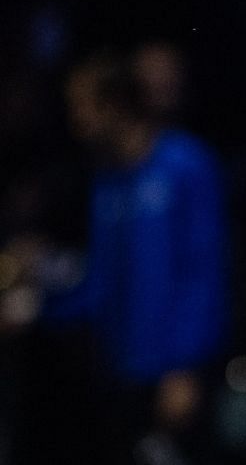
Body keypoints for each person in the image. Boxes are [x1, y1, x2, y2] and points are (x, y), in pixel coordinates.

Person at [40, 51, 227, 461]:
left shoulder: (186, 165)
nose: (75, 120)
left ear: (115, 105)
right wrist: (41, 309)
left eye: (82, 105)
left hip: (173, 376)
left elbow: (204, 272)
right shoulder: (106, 180)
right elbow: (102, 280)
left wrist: (185, 367)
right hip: (119, 374)